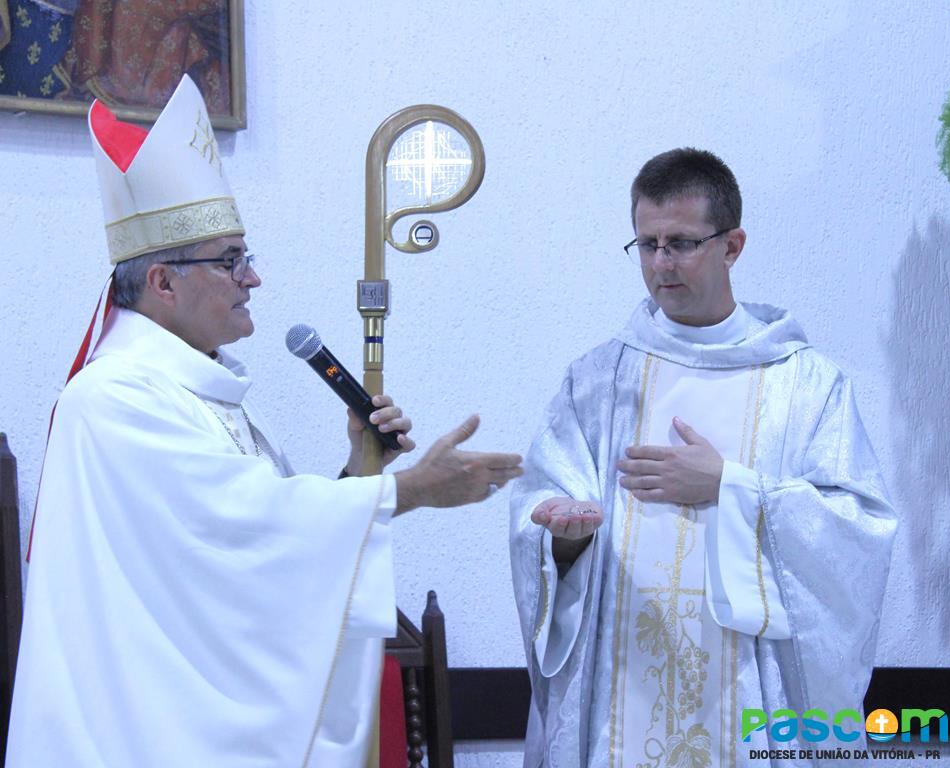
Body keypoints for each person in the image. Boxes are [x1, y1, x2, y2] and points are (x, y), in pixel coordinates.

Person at [7, 75, 523, 768]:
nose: (253, 278)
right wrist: (411, 491)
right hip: (140, 732)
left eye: (246, 257)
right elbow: (241, 528)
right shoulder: (114, 400)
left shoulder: (204, 391)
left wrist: (360, 470)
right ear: (162, 282)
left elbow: (261, 552)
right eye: (231, 261)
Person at [510, 148, 897, 767]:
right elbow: (543, 500)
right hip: (618, 696)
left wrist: (730, 487)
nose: (661, 264)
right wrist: (563, 540)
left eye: (682, 243)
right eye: (648, 244)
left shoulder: (803, 384)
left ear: (732, 246)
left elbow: (859, 527)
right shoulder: (598, 382)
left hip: (747, 701)